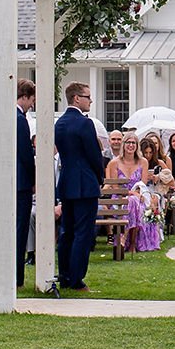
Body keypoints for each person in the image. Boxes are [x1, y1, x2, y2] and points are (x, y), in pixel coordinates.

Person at [54, 83, 107, 291]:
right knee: (83, 233)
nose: (90, 101)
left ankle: (65, 274)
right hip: (85, 183)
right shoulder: (85, 124)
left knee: (67, 232)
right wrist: (99, 175)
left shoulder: (60, 123)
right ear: (76, 98)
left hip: (67, 181)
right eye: (88, 97)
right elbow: (94, 155)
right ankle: (77, 279)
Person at [4, 81, 37, 291]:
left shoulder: (9, 117)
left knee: (15, 229)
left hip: (11, 180)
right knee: (19, 230)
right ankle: (16, 276)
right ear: (25, 96)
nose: (32, 104)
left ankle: (13, 274)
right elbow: (25, 154)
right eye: (32, 99)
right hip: (21, 182)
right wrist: (35, 178)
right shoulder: (19, 120)